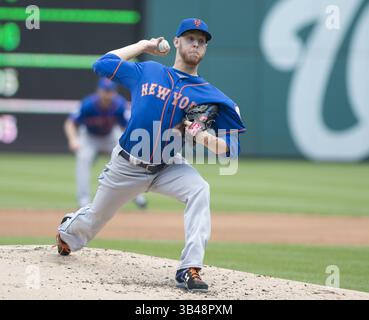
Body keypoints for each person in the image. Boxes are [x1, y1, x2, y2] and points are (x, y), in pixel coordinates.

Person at [57, 18, 246, 292]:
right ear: (177, 41)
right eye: (190, 38)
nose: (196, 43)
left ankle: (189, 268)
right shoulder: (148, 71)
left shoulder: (210, 95)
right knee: (93, 220)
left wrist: (204, 137)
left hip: (168, 166)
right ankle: (68, 230)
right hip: (127, 165)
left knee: (200, 190)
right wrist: (144, 45)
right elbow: (102, 64)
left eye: (201, 41)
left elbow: (232, 149)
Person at [64, 78, 148, 209]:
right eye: (105, 91)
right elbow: (70, 123)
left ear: (114, 93)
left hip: (110, 135)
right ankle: (83, 200)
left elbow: (127, 127)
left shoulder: (119, 105)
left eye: (110, 92)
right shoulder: (88, 104)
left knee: (128, 159)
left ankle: (136, 196)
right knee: (83, 158)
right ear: (99, 91)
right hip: (89, 137)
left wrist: (129, 145)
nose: (107, 95)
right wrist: (73, 139)